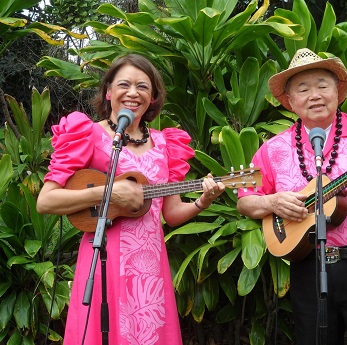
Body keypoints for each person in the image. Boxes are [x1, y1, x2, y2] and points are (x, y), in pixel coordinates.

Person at [37, 54, 225, 345]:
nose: (133, 93)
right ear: (109, 91)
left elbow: (171, 213)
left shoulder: (167, 144)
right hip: (104, 260)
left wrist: (203, 201)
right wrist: (107, 192)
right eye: (124, 84)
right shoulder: (88, 135)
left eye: (143, 87)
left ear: (153, 97)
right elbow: (46, 201)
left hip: (151, 267)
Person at [237, 48, 347, 345]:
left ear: (338, 92)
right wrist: (271, 202)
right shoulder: (272, 149)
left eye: (322, 85)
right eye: (303, 89)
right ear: (290, 101)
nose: (314, 95)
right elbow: (245, 200)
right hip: (309, 267)